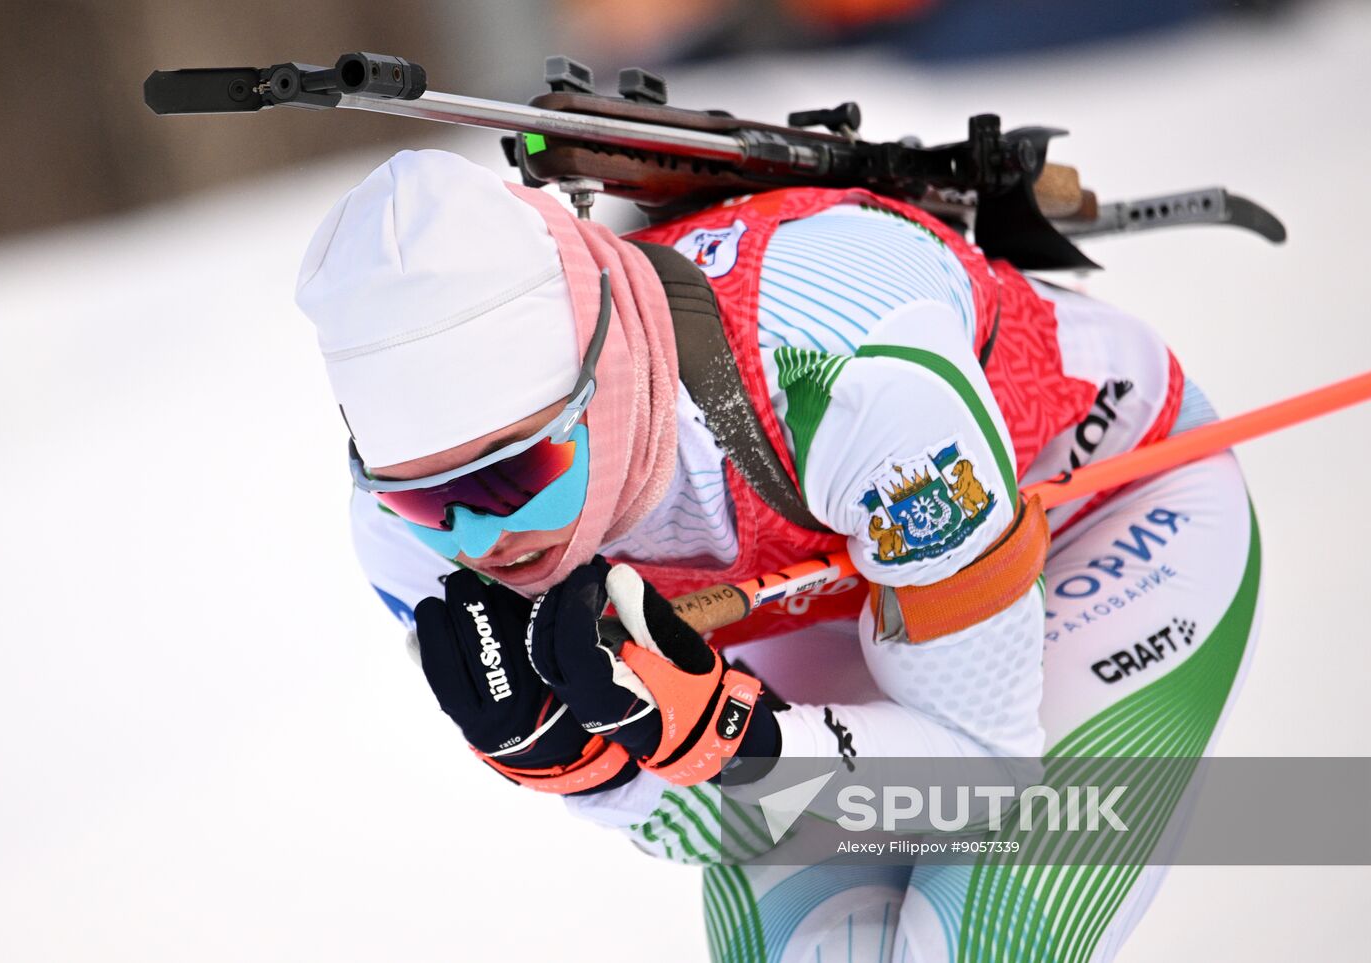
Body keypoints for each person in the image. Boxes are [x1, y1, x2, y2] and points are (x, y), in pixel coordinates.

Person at [294, 148, 1261, 961]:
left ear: (605, 379)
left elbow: (979, 779)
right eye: (427, 497)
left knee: (973, 939)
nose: (480, 538)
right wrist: (604, 775)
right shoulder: (402, 543)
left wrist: (739, 742)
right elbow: (716, 823)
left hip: (1106, 509)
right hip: (820, 596)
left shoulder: (844, 382)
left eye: (519, 474)